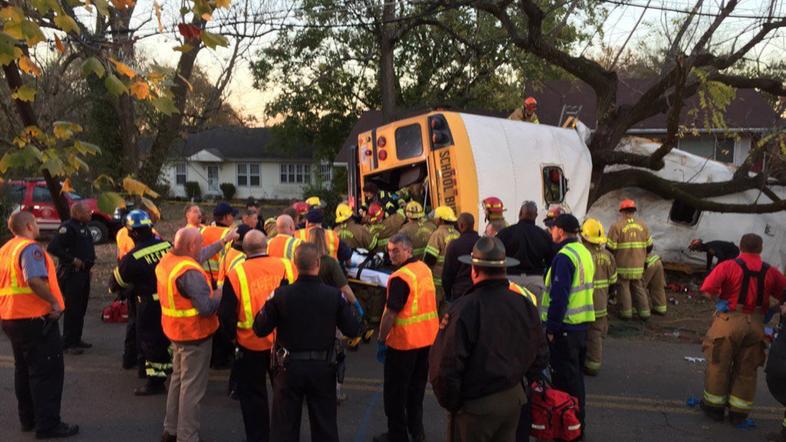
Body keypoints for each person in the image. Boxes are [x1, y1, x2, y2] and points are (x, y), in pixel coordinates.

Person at [429, 237, 549, 442]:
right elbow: (540, 353)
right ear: (504, 270)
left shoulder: (464, 309)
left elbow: (444, 366)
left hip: (476, 406)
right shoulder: (524, 303)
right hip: (513, 400)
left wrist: (454, 403)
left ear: (474, 271)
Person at [254, 243, 361, 441]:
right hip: (323, 368)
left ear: (295, 264)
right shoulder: (333, 295)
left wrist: (271, 301)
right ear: (318, 263)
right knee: (324, 426)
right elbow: (353, 329)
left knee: (284, 427)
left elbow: (260, 328)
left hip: (288, 368)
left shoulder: (281, 294)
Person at [1, 211, 79, 439]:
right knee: (47, 372)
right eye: (35, 223)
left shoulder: (5, 250)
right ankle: (48, 424)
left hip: (11, 318)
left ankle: (28, 419)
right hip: (35, 319)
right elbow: (34, 280)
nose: (37, 226)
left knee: (23, 370)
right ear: (28, 225)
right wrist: (54, 302)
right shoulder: (30, 249)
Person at [157, 226, 238, 442]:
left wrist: (223, 241)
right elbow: (206, 307)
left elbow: (199, 255)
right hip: (195, 335)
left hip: (176, 333)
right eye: (200, 243)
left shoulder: (169, 260)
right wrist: (220, 293)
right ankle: (187, 436)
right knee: (192, 390)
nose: (202, 247)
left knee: (178, 381)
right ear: (191, 246)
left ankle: (171, 429)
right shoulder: (190, 273)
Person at [699, 233, 786, 424]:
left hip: (729, 320)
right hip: (756, 324)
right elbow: (783, 294)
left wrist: (721, 300)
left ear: (740, 246)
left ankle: (714, 409)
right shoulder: (770, 271)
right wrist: (772, 307)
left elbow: (707, 289)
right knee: (747, 369)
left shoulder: (728, 266)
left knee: (718, 365)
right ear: (761, 249)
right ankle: (739, 413)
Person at [221, 230, 297, 442]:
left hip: (249, 345)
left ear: (244, 249)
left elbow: (226, 314)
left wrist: (232, 339)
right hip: (283, 344)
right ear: (267, 246)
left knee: (253, 399)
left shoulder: (237, 273)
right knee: (284, 396)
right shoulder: (287, 266)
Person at [374, 234, 439, 442]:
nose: (391, 254)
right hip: (426, 341)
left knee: (395, 394)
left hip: (403, 344)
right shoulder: (424, 269)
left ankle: (397, 435)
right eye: (390, 250)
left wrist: (382, 339)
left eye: (396, 251)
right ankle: (417, 431)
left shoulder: (400, 277)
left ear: (409, 251)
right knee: (416, 389)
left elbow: (390, 313)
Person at [109, 210, 173, 395]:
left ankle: (155, 382)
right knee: (167, 338)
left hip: (148, 306)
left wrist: (127, 288)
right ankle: (169, 369)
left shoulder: (132, 259)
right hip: (170, 302)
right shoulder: (168, 246)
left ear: (133, 233)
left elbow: (114, 284)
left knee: (150, 343)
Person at [542, 214, 596, 434]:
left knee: (564, 384)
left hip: (565, 329)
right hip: (581, 328)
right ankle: (577, 425)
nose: (551, 232)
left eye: (552, 228)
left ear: (561, 231)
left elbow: (559, 296)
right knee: (576, 382)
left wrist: (552, 329)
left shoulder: (564, 257)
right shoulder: (584, 252)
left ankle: (568, 429)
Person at [308, 227, 364, 399]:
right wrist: (356, 305)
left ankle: (310, 390)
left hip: (309, 313)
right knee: (337, 353)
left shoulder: (304, 261)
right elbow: (344, 288)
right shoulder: (330, 263)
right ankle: (335, 391)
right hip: (330, 313)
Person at [47, 201, 95, 355]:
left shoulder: (84, 227)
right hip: (72, 273)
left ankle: (76, 338)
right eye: (88, 211)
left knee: (81, 307)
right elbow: (53, 248)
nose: (91, 213)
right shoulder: (67, 228)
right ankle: (67, 343)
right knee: (72, 308)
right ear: (78, 213)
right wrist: (72, 259)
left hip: (84, 273)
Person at [496, 200, 554, 303]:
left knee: (512, 315)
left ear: (519, 213)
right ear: (536, 216)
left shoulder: (505, 234)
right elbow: (551, 261)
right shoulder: (544, 236)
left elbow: (495, 255)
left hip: (511, 279)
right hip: (535, 280)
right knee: (534, 316)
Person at [580, 218, 617, 376]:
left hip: (584, 303)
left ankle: (592, 365)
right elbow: (613, 281)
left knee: (590, 334)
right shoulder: (609, 256)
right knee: (597, 332)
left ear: (584, 237)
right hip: (601, 303)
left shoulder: (583, 256)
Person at [607, 199, 652, 320]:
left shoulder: (616, 226)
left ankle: (626, 314)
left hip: (623, 265)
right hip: (639, 265)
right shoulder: (643, 225)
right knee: (639, 287)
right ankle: (645, 313)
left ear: (622, 211)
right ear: (634, 211)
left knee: (623, 288)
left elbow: (610, 248)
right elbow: (650, 246)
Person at [424, 206, 460, 315]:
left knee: (434, 308)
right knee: (447, 309)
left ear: (439, 219)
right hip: (452, 279)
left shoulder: (438, 234)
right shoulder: (457, 233)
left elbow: (430, 258)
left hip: (438, 280)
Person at [441, 213, 480, 302]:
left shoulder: (454, 245)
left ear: (461, 225)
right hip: (479, 291)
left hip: (460, 293)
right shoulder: (482, 242)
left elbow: (447, 274)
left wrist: (448, 294)